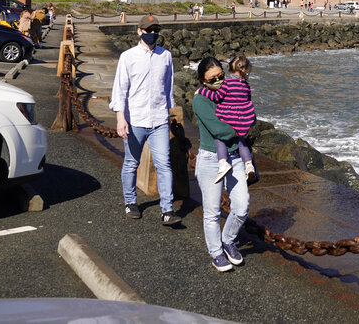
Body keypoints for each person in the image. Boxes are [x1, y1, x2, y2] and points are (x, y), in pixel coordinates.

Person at [110, 14, 180, 225]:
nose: (152, 34)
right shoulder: (128, 57)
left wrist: (169, 113)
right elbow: (120, 90)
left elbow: (168, 87)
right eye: (148, 30)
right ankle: (130, 202)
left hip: (159, 119)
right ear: (139, 31)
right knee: (131, 163)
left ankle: (167, 210)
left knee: (164, 164)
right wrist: (120, 118)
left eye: (155, 30)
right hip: (135, 119)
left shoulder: (165, 56)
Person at [193, 57, 250, 272]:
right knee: (212, 211)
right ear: (202, 81)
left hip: (234, 156)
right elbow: (218, 129)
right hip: (209, 159)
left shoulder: (230, 91)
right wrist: (239, 129)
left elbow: (247, 106)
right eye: (212, 79)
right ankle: (216, 252)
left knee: (242, 206)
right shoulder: (200, 100)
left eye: (221, 76)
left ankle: (228, 239)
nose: (218, 80)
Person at [207, 55, 257, 183]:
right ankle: (249, 166)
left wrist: (202, 92)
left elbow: (217, 97)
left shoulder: (227, 83)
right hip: (242, 119)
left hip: (228, 118)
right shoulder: (246, 85)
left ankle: (223, 163)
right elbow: (248, 100)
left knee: (220, 139)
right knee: (242, 142)